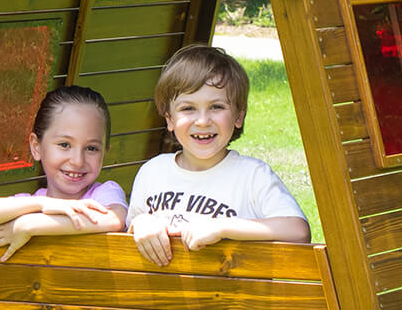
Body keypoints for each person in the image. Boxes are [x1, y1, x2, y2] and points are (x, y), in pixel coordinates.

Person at [128, 44, 310, 266]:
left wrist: (221, 227)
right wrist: (142, 223)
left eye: (216, 106)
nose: (203, 121)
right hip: (163, 297)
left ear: (238, 116)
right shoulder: (152, 172)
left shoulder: (252, 176)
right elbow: (129, 230)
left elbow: (298, 231)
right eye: (188, 108)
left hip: (233, 297)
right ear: (169, 119)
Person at [0, 85, 127, 261]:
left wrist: (30, 224)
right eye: (64, 145)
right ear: (36, 147)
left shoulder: (104, 194)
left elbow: (115, 220)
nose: (77, 160)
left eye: (91, 148)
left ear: (104, 153)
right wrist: (41, 203)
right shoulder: (30, 203)